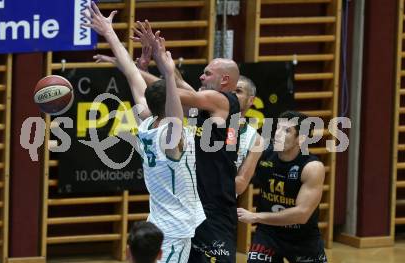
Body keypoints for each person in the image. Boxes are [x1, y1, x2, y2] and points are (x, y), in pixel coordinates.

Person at [82, 4, 205, 263]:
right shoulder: (170, 138)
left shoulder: (146, 124)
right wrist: (168, 73)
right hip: (174, 229)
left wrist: (109, 33)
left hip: (159, 221)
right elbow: (175, 111)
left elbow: (131, 72)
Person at [133, 22, 241, 262]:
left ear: (224, 80)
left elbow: (171, 92)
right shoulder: (207, 102)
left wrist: (133, 71)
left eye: (208, 73)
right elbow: (179, 85)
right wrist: (157, 60)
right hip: (194, 205)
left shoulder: (223, 100)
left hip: (214, 205)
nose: (202, 76)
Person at [237, 111, 327, 263]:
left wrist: (256, 217)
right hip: (268, 233)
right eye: (278, 128)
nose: (277, 134)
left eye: (287, 131)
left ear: (301, 138)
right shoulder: (263, 155)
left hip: (303, 239)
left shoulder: (312, 167)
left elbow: (302, 214)